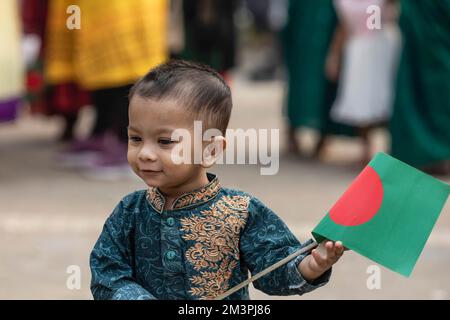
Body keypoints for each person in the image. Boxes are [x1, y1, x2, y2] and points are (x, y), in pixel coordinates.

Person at [90, 60, 345, 300]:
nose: (145, 153)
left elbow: (274, 266)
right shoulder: (129, 211)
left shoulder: (241, 211)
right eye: (135, 139)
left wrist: (311, 265)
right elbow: (107, 272)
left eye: (164, 142)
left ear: (210, 150)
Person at [328, 0, 400, 164]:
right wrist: (334, 57)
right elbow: (344, 28)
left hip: (383, 48)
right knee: (361, 102)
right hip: (360, 50)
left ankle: (390, 149)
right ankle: (366, 149)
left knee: (387, 100)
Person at [390, 0, 450, 175]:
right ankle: (420, 156)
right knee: (414, 95)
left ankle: (438, 155)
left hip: (437, 48)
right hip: (418, 46)